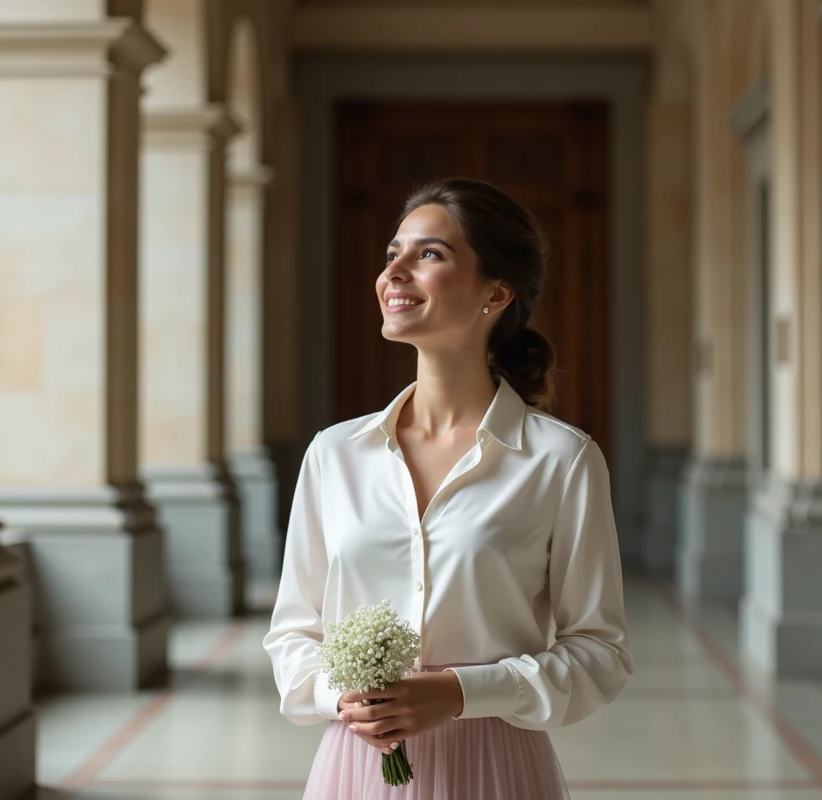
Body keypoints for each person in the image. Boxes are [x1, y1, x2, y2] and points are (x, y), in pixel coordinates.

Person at [263, 177, 633, 799]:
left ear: (496, 292)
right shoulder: (334, 455)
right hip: (358, 767)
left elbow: (601, 653)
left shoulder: (561, 461)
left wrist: (461, 692)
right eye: (392, 254)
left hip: (495, 767)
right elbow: (293, 634)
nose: (394, 272)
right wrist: (345, 698)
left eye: (428, 254)